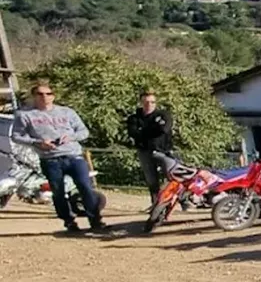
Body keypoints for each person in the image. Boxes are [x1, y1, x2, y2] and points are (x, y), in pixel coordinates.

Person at [11, 81, 106, 233]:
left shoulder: (67, 112)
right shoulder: (25, 115)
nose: (44, 97)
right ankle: (69, 221)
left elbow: (84, 132)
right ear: (34, 96)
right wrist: (37, 142)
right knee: (58, 192)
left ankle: (95, 220)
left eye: (48, 94)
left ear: (53, 96)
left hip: (74, 156)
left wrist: (71, 137)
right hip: (50, 159)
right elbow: (16, 136)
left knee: (85, 187)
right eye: (40, 94)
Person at [125, 89, 173, 205]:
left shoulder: (164, 114)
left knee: (173, 176)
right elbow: (133, 133)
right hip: (145, 152)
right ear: (141, 103)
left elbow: (164, 129)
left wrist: (144, 131)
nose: (149, 105)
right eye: (146, 102)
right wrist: (154, 128)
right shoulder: (134, 118)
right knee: (152, 181)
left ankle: (183, 202)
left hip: (164, 151)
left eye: (152, 102)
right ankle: (156, 205)